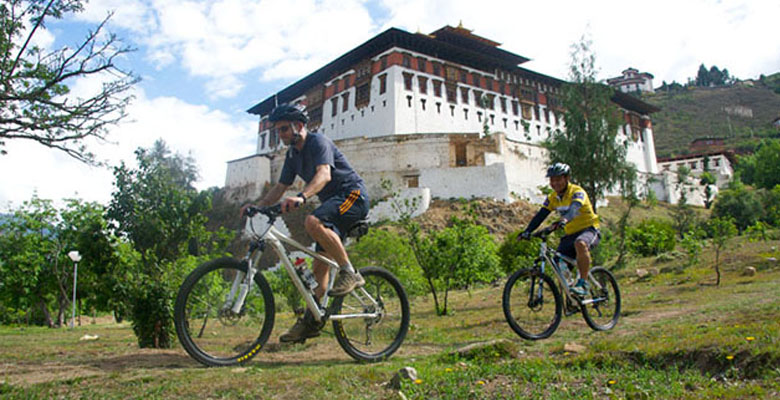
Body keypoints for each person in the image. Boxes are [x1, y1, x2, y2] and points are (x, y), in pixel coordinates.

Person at [247, 103, 370, 343]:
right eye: (277, 131)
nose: (279, 135)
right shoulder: (292, 155)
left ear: (299, 126)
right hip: (333, 206)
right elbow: (280, 188)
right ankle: (312, 322)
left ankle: (350, 273)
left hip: (353, 196)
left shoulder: (318, 142)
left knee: (312, 221)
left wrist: (302, 196)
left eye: (283, 129)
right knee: (319, 267)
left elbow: (324, 174)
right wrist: (257, 207)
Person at [518, 162, 600, 296]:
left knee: (580, 243)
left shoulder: (577, 192)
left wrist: (564, 220)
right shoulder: (552, 198)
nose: (555, 183)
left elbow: (574, 209)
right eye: (552, 180)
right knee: (557, 263)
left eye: (558, 179)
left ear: (566, 178)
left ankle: (583, 283)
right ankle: (572, 294)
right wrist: (528, 231)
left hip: (589, 229)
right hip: (570, 234)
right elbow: (541, 215)